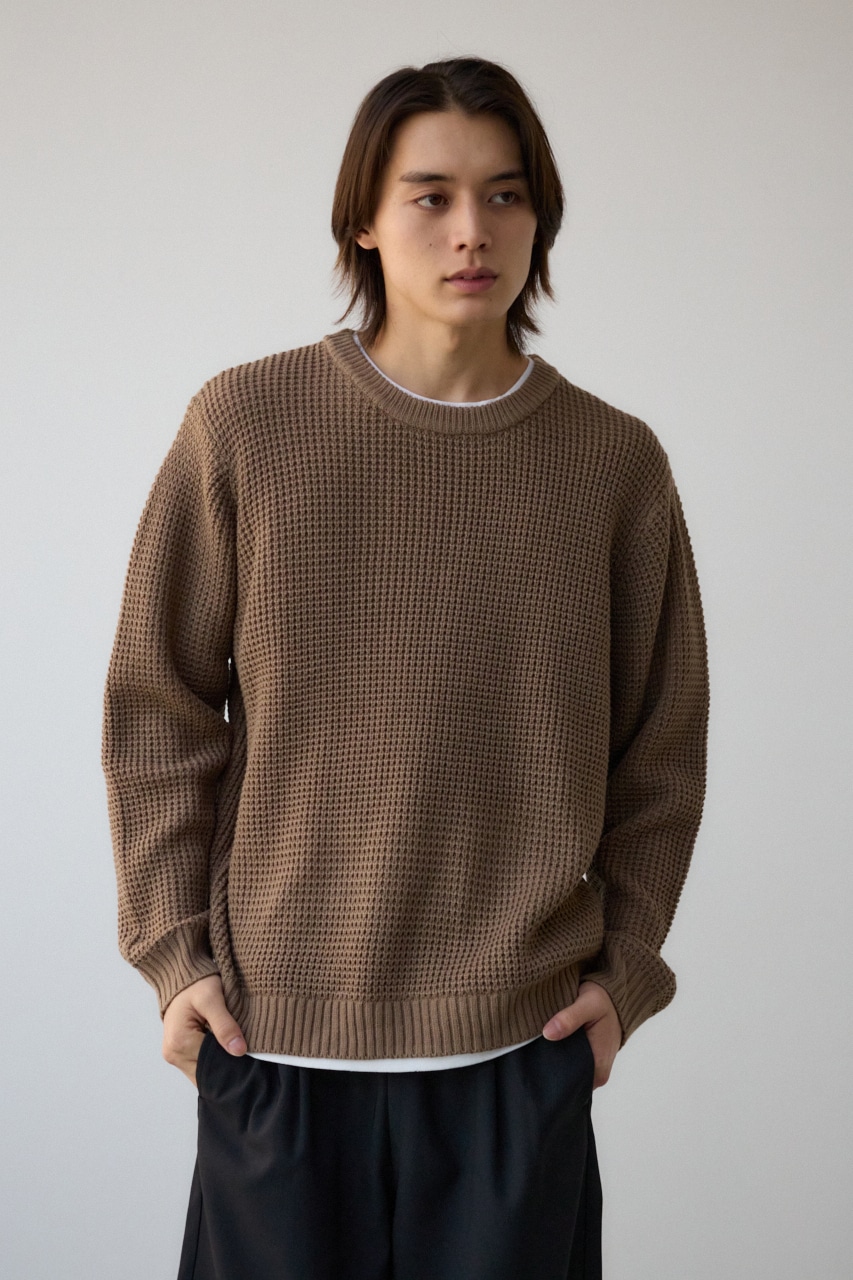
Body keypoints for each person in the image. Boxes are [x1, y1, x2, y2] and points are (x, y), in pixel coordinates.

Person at [102, 55, 709, 1280]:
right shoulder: (246, 425)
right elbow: (157, 707)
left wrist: (625, 971)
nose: (470, 229)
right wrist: (174, 954)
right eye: (430, 195)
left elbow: (660, 750)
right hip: (273, 1045)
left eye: (504, 194)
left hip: (517, 1054)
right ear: (364, 222)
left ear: (539, 218)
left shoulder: (613, 464)